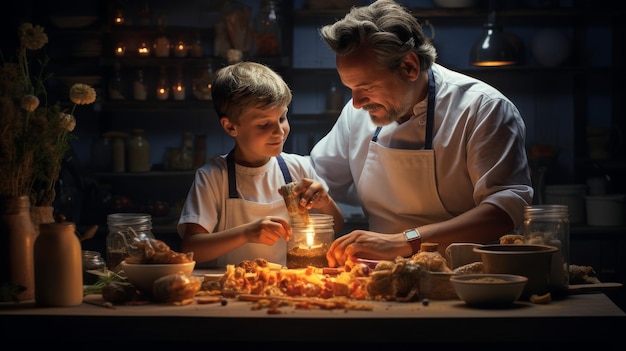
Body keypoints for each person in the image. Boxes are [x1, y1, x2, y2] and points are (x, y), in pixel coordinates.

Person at [309, 0, 533, 267]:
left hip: (469, 277)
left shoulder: (482, 109)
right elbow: (317, 180)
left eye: (366, 86)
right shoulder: (357, 113)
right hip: (380, 274)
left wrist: (404, 242)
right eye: (350, 88)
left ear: (409, 67)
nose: (356, 102)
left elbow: (504, 211)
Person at [178, 61, 344, 267]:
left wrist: (325, 201)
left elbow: (336, 225)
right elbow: (191, 248)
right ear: (230, 127)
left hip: (288, 283)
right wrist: (246, 233)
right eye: (264, 124)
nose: (279, 131)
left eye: (282, 117)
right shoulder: (213, 177)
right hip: (235, 287)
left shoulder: (298, 168)